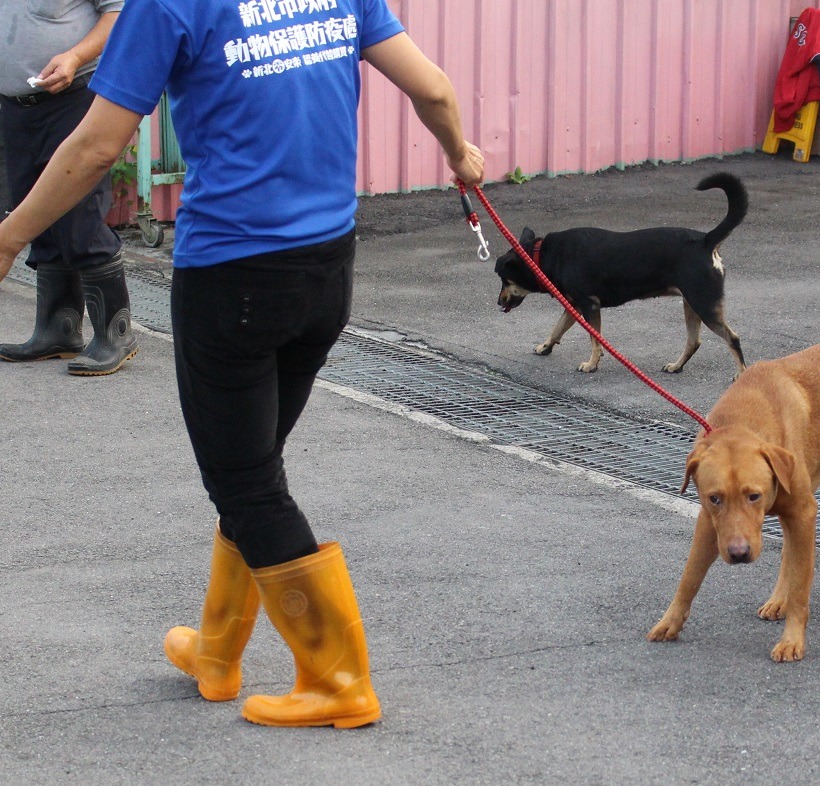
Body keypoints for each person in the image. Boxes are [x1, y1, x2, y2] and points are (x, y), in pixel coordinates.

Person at [0, 0, 484, 729]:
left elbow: (97, 147)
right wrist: (459, 154)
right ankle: (217, 655)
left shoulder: (166, 5)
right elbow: (434, 89)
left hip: (233, 277)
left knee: (247, 482)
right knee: (253, 467)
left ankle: (338, 680)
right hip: (327, 267)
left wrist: (9, 237)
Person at [0, 0, 137, 376]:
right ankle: (57, 330)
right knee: (34, 209)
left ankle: (115, 333)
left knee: (80, 216)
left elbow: (120, 13)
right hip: (15, 104)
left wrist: (75, 56)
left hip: (75, 96)